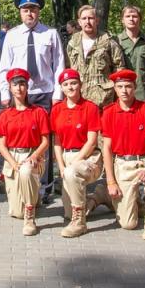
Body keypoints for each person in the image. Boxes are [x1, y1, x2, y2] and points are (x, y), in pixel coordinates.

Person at [0, 0, 64, 199]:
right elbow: (4, 67)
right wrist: (4, 93)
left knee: (44, 140)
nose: (29, 14)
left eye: (33, 9)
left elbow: (59, 64)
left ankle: (43, 186)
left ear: (39, 11)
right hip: (19, 94)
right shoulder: (12, 35)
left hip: (44, 93)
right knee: (22, 138)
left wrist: (57, 94)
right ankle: (20, 180)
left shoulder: (50, 34)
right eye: (25, 10)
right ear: (19, 12)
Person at [100, 69, 145, 241]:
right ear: (114, 89)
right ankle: (110, 195)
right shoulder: (108, 112)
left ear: (135, 87)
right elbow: (106, 148)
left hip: (144, 161)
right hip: (123, 164)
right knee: (128, 224)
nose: (124, 90)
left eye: (128, 86)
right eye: (120, 86)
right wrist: (110, 181)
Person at [0, 68, 51, 236]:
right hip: (13, 157)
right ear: (10, 88)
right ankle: (34, 199)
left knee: (27, 172)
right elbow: (2, 145)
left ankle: (30, 217)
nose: (19, 88)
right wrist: (14, 164)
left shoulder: (38, 112)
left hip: (33, 155)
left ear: (27, 87)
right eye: (15, 84)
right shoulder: (5, 115)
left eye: (22, 84)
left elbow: (46, 141)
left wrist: (33, 156)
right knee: (15, 213)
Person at [50, 68, 102, 238]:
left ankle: (79, 223)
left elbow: (92, 141)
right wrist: (61, 166)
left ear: (80, 85)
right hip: (66, 155)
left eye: (73, 83)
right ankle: (98, 198)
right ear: (62, 88)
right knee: (66, 213)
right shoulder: (57, 109)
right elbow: (57, 141)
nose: (70, 87)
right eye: (66, 84)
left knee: (72, 173)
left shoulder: (90, 107)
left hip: (87, 156)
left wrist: (72, 164)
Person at [66, 5, 126, 107]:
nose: (87, 21)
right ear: (79, 22)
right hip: (79, 98)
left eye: (91, 18)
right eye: (84, 18)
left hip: (104, 99)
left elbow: (119, 68)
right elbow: (68, 69)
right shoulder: (72, 43)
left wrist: (118, 93)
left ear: (97, 21)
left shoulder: (108, 42)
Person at [118, 5, 145, 103]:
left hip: (143, 95)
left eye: (134, 16)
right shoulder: (115, 42)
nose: (131, 19)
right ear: (122, 20)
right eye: (127, 16)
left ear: (140, 19)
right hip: (121, 95)